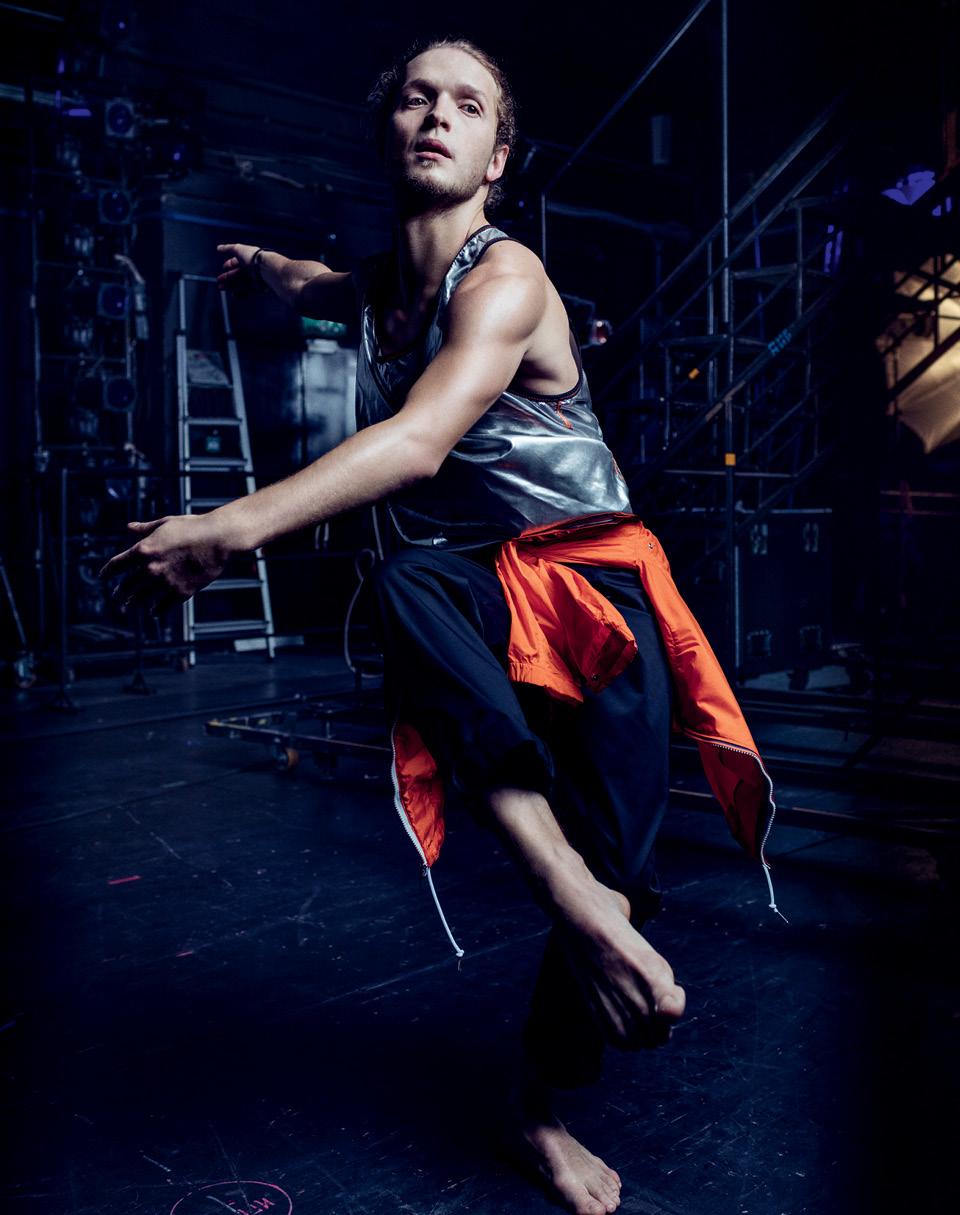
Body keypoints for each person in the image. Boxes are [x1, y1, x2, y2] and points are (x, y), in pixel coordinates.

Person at [100, 37, 777, 1215]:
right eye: (417, 97)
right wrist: (259, 263)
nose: (436, 115)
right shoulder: (375, 288)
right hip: (479, 582)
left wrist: (228, 528)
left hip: (595, 587)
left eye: (467, 105)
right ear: (389, 132)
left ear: (496, 158)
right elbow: (313, 280)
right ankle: (565, 888)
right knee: (411, 581)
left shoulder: (505, 280)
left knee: (628, 876)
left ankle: (539, 1098)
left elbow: (417, 443)